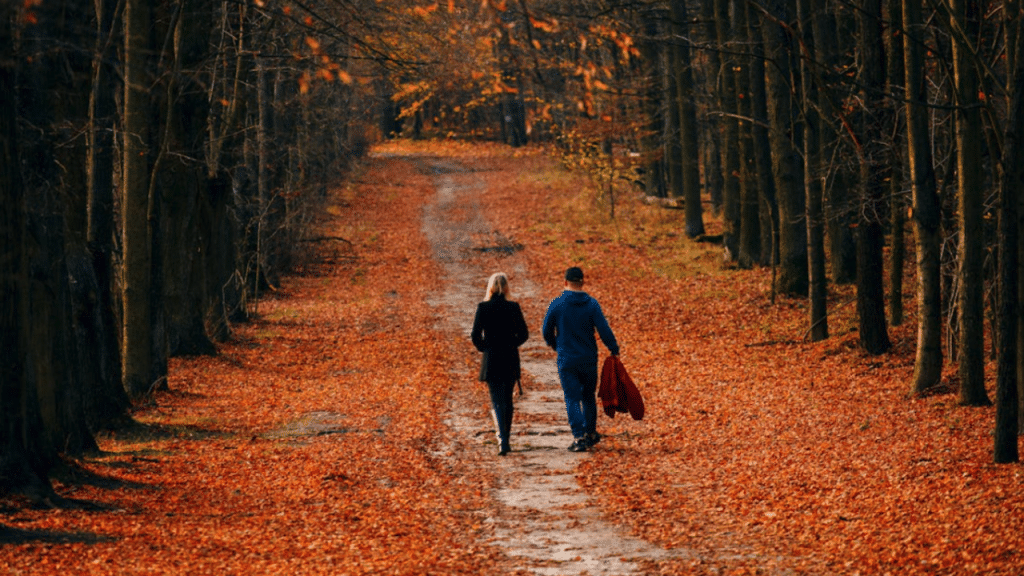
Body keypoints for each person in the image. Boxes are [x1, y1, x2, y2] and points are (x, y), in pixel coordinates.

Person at [542, 266, 620, 452]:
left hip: (567, 359)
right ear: (583, 282)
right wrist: (613, 348)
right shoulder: (592, 304)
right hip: (588, 358)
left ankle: (579, 437)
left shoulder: (557, 304)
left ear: (565, 282)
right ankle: (591, 433)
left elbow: (546, 331)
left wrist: (555, 345)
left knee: (571, 398)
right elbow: (604, 329)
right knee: (588, 397)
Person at [471, 272, 529, 456]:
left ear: (490, 287)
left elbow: (475, 335)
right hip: (510, 357)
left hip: (492, 359)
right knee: (508, 400)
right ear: (506, 288)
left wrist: (485, 348)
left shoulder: (483, 307)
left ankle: (502, 439)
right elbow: (524, 334)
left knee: (497, 400)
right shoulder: (513, 307)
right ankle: (506, 438)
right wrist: (513, 344)